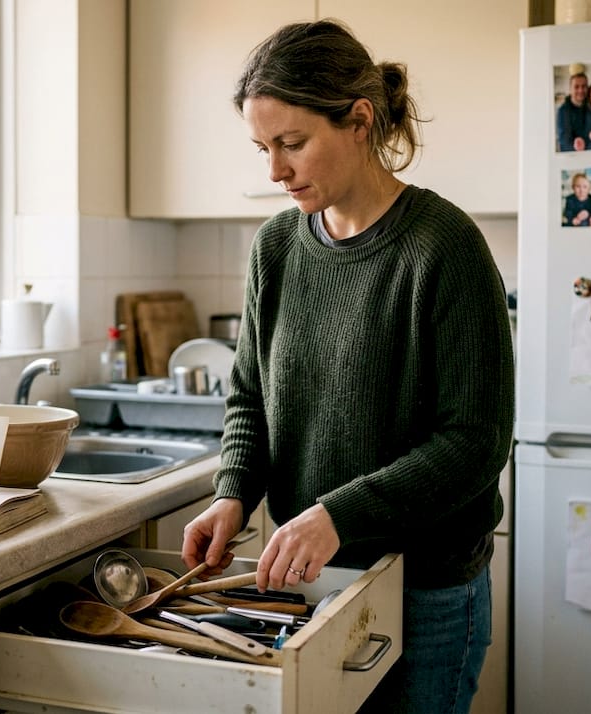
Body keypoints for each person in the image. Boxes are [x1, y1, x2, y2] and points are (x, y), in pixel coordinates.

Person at [180, 19, 514, 714]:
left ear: (359, 121)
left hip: (428, 593)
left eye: (292, 143)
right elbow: (249, 394)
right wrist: (231, 491)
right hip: (318, 583)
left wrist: (338, 512)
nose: (274, 170)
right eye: (263, 148)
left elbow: (475, 443)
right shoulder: (275, 248)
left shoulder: (443, 247)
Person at [556, 70, 591, 152]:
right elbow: (564, 142)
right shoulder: (563, 111)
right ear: (570, 89)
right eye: (576, 87)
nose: (581, 90)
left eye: (584, 86)